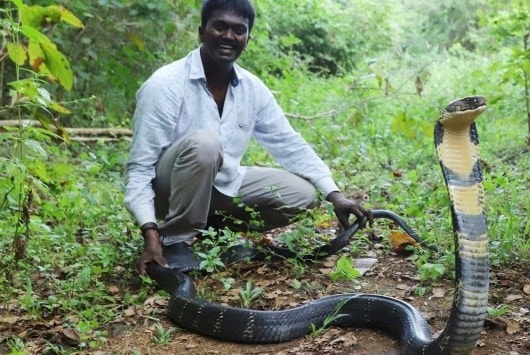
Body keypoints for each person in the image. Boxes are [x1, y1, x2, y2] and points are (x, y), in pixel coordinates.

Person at [125, 0, 373, 275]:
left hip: (218, 189)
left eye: (238, 30)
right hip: (168, 192)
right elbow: (139, 168)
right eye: (220, 27)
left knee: (301, 194)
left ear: (247, 39)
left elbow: (289, 144)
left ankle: (213, 230)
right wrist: (150, 231)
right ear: (201, 31)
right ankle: (176, 240)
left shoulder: (252, 89)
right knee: (206, 144)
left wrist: (334, 193)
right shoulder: (165, 85)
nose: (229, 36)